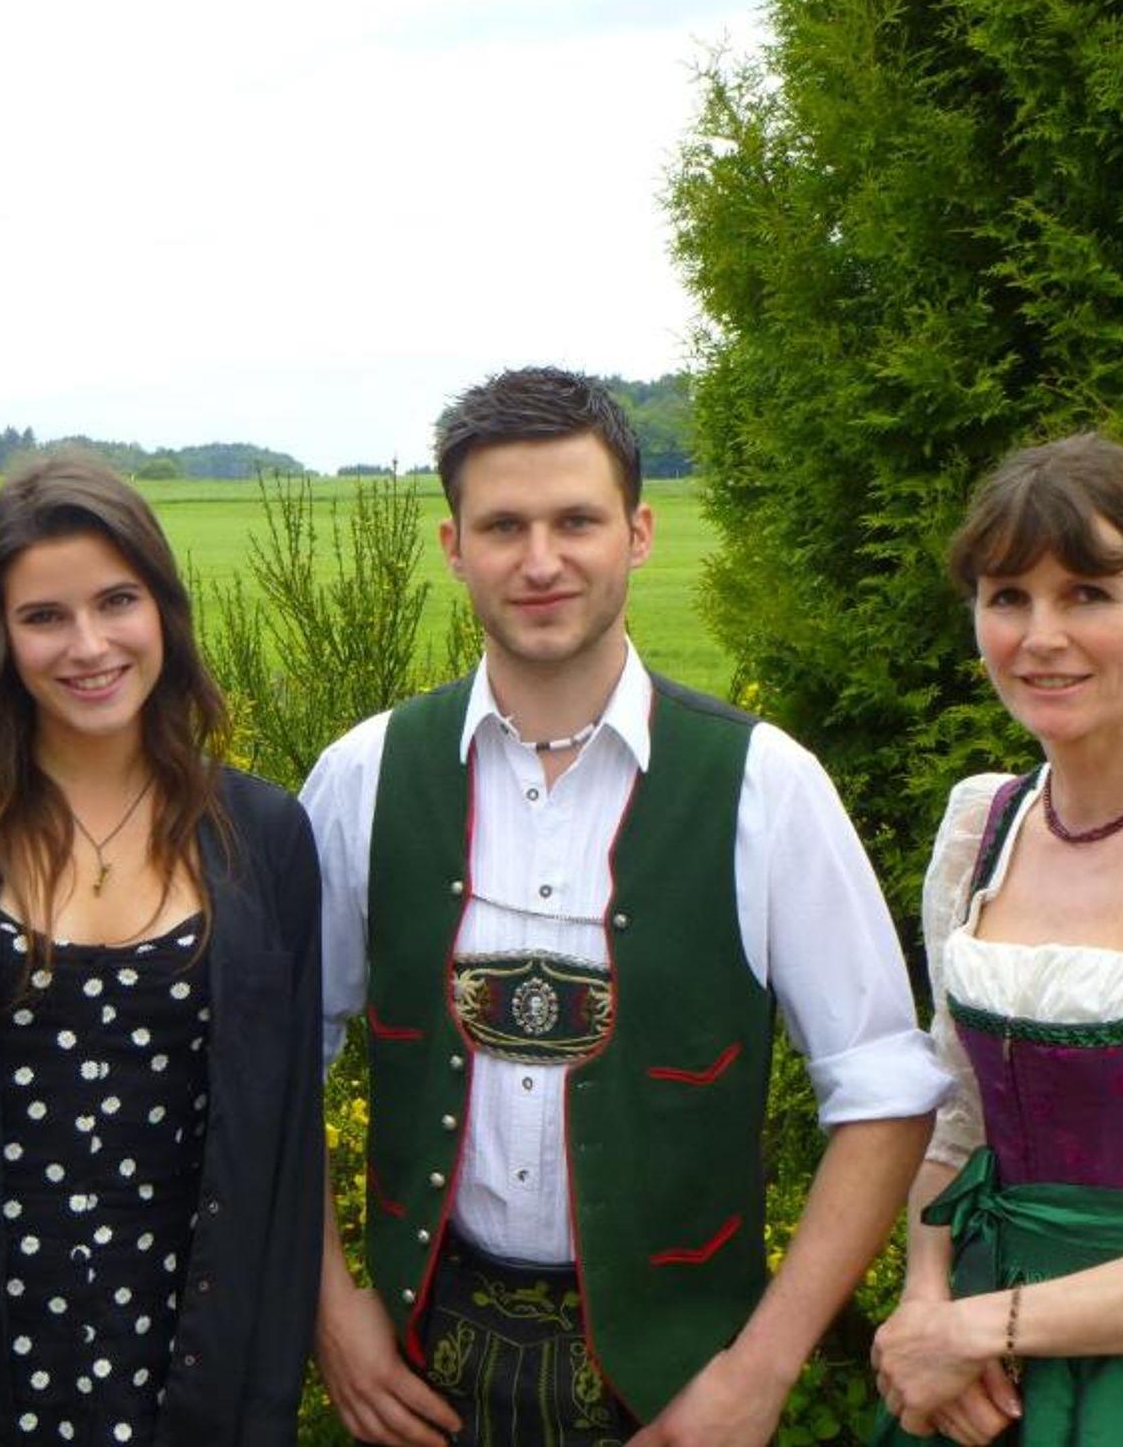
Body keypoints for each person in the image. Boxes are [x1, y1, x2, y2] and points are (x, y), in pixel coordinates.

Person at [302, 366, 950, 1447]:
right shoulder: (364, 775)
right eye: (502, 526)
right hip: (420, 1369)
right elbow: (274, 1059)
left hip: (679, 1389)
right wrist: (332, 1311)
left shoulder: (764, 785)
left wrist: (759, 1373)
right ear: (452, 545)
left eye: (576, 520)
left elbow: (882, 1089)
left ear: (637, 533)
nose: (540, 560)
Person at [0, 454, 323, 1447]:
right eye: (44, 616)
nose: (89, 645)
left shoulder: (263, 835)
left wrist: (265, 1409)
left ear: (164, 609)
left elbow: (282, 1151)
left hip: (189, 1390)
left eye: (117, 601)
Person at [870, 434, 1123, 1446]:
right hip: (972, 1379)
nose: (1039, 636)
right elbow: (954, 1124)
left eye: (1088, 594)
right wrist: (924, 1305)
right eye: (1007, 596)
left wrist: (978, 1325)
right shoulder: (979, 827)